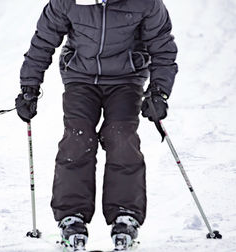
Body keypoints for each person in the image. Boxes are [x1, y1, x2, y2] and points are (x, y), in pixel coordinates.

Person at [15, 0, 178, 250]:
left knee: (121, 136)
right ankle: (72, 216)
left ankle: (126, 215)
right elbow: (44, 40)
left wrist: (159, 92)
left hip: (126, 79)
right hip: (80, 78)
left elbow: (162, 46)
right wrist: (29, 87)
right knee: (77, 138)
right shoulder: (66, 2)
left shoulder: (146, 3)